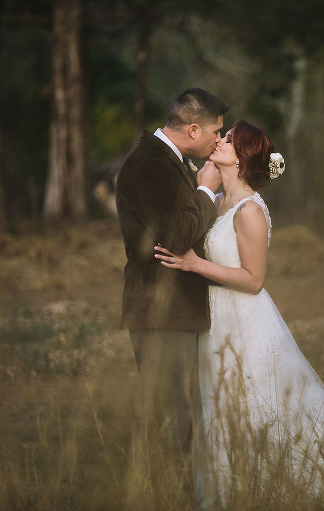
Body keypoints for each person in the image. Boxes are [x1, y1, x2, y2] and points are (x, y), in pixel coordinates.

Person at [153, 120, 324, 508]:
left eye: (228, 139)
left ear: (243, 157)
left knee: (263, 409)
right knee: (222, 409)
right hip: (214, 324)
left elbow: (254, 279)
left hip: (246, 321)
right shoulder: (215, 202)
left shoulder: (249, 211)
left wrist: (195, 265)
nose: (219, 140)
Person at [115, 88, 227, 453]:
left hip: (178, 312)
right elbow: (175, 237)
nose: (218, 140)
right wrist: (206, 192)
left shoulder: (169, 159)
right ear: (193, 130)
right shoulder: (148, 164)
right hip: (160, 313)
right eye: (215, 132)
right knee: (172, 422)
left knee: (184, 417)